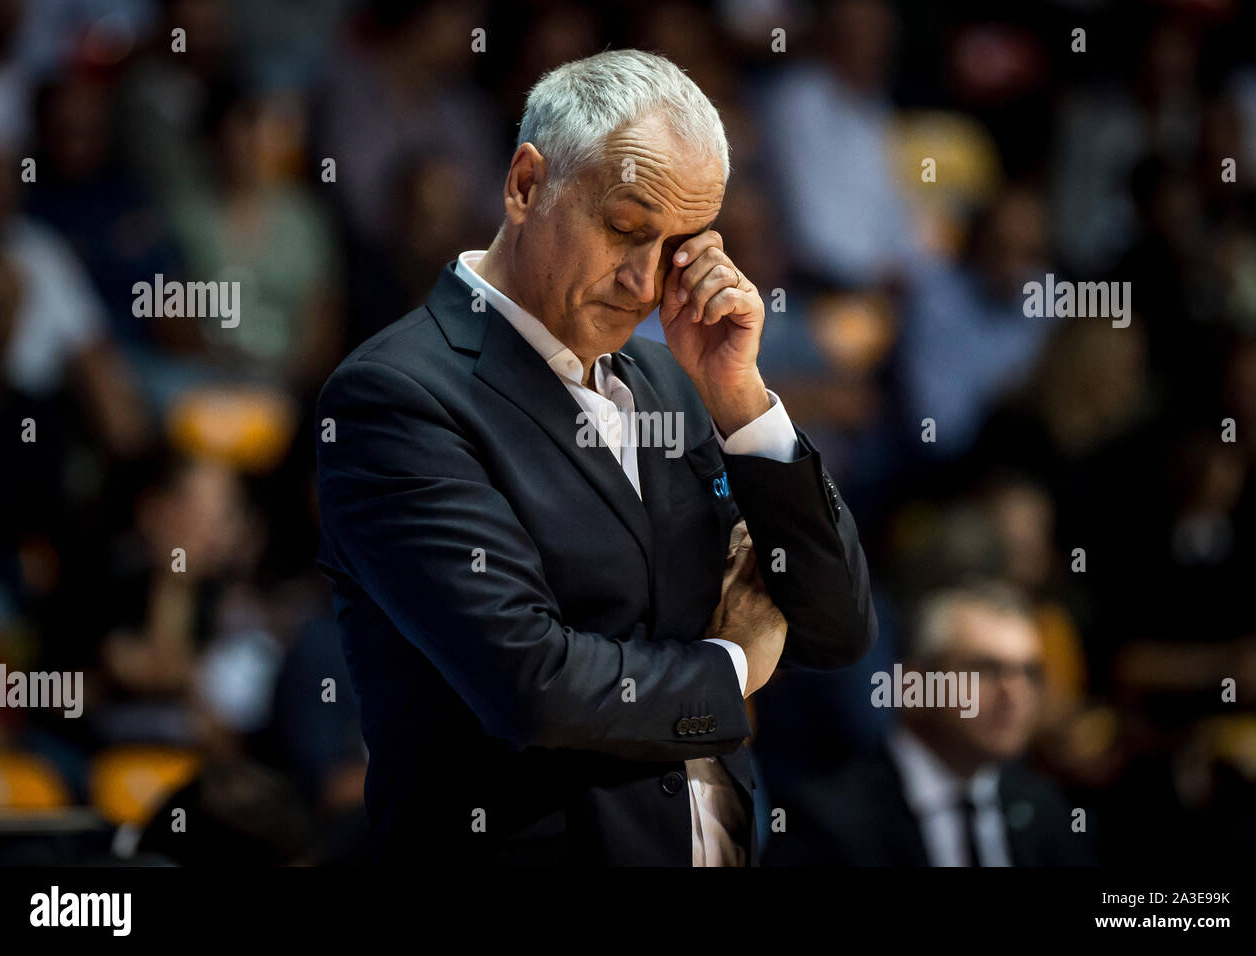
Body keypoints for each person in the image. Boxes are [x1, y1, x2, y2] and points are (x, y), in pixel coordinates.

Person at [315, 50, 876, 867]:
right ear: (525, 184)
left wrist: (742, 400)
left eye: (680, 244)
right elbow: (532, 686)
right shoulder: (395, 395)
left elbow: (835, 628)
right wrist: (732, 663)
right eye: (625, 227)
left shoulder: (674, 383)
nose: (646, 280)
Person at [764, 581, 1093, 866]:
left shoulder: (1045, 810)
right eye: (985, 669)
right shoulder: (826, 824)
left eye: (1029, 672)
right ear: (913, 687)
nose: (1015, 693)